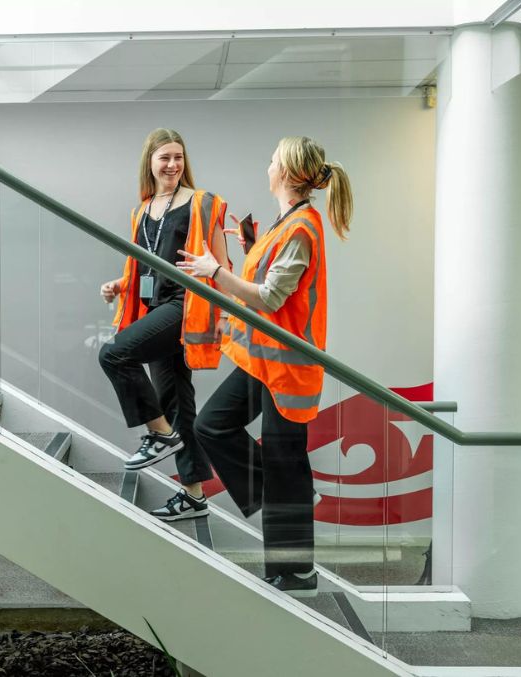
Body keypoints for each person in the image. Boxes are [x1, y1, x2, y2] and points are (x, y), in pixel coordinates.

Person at [176, 136, 352, 596]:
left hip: (286, 366)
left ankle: (294, 572)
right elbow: (271, 281)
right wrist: (254, 244)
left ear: (288, 174)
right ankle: (279, 497)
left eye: (272, 159)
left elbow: (271, 297)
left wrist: (214, 271)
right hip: (263, 361)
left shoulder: (301, 227)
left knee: (284, 460)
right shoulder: (286, 223)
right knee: (213, 427)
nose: (267, 164)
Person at [98, 128, 230, 521]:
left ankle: (159, 433)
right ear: (150, 163)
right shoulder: (143, 209)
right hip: (156, 306)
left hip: (186, 306)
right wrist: (120, 285)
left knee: (114, 355)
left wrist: (222, 314)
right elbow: (146, 266)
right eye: (165, 158)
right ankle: (193, 495)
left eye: (178, 157)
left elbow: (221, 263)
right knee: (177, 402)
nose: (173, 165)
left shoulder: (204, 203)